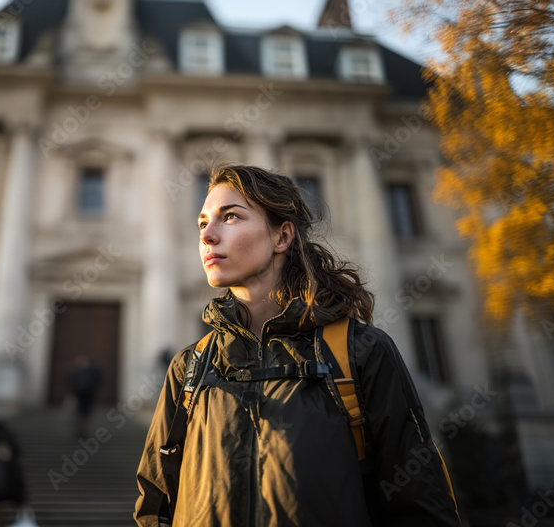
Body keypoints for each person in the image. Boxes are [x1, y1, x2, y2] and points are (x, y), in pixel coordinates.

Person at [134, 164, 462, 526]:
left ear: (282, 237)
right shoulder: (189, 367)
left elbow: (422, 506)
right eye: (202, 223)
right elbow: (154, 508)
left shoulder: (361, 353)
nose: (207, 236)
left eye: (230, 217)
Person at [66, 355, 103, 438]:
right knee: (78, 411)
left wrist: (92, 388)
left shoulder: (93, 371)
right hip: (78, 395)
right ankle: (79, 429)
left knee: (86, 412)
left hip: (88, 395)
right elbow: (69, 380)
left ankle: (84, 429)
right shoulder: (75, 370)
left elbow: (98, 380)